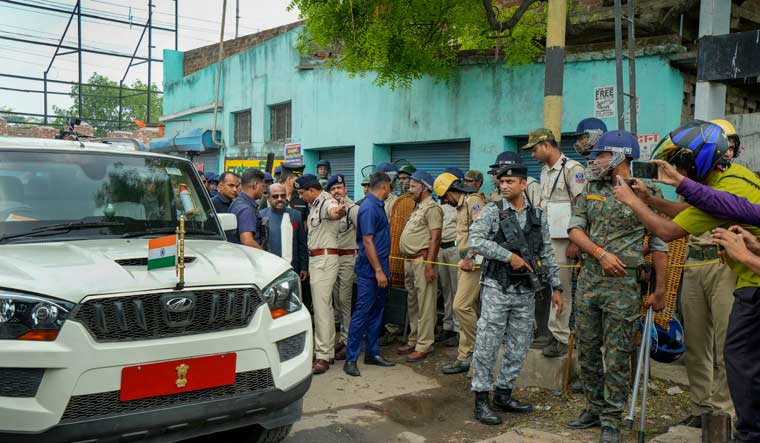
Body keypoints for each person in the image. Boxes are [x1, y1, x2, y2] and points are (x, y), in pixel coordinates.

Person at [612, 121, 760, 443]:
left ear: (700, 159)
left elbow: (667, 230)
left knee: (736, 358)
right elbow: (694, 210)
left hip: (748, 277)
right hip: (738, 272)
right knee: (717, 351)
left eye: (681, 163)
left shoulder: (727, 186)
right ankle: (713, 415)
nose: (679, 170)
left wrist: (632, 202)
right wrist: (650, 200)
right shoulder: (725, 181)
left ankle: (736, 426)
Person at [566, 130, 668, 443]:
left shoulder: (646, 193)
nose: (595, 161)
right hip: (590, 282)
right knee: (587, 347)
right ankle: (594, 408)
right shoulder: (591, 187)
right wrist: (599, 253)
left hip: (623, 286)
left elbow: (661, 241)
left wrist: (661, 289)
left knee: (618, 352)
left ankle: (612, 419)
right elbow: (574, 229)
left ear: (620, 156)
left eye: (601, 155)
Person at [468, 163, 563, 425]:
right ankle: (481, 399)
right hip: (497, 287)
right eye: (502, 182)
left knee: (519, 345)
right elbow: (474, 241)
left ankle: (504, 394)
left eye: (510, 181)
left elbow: (546, 252)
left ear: (523, 184)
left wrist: (557, 287)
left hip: (525, 291)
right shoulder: (493, 211)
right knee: (487, 344)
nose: (504, 185)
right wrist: (509, 256)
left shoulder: (538, 215)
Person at [522, 128, 586, 358]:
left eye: (534, 149)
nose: (532, 155)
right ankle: (553, 332)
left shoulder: (573, 169)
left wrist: (576, 240)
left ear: (546, 145)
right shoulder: (544, 172)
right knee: (552, 286)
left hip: (566, 239)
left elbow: (581, 206)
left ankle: (560, 337)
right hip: (548, 237)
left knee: (562, 288)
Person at [433, 172, 487, 375]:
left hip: (474, 262)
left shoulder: (473, 201)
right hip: (464, 260)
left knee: (460, 306)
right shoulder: (459, 205)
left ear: (453, 190)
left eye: (446, 196)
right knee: (468, 308)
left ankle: (481, 345)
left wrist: (471, 257)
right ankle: (465, 355)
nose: (445, 201)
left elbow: (481, 230)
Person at [344, 172, 397, 377]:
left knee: (377, 312)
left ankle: (372, 354)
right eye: (390, 187)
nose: (391, 190)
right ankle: (351, 359)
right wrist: (377, 271)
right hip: (370, 272)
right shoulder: (368, 207)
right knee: (362, 313)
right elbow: (367, 241)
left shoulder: (378, 205)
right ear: (384, 186)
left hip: (380, 269)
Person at [295, 173, 347, 375]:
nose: (301, 196)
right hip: (318, 259)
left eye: (302, 193)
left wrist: (339, 211)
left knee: (321, 308)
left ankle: (323, 355)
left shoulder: (326, 201)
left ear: (311, 190)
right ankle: (329, 351)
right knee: (325, 306)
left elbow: (334, 212)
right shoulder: (315, 204)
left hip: (324, 259)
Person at [397, 171, 443, 363]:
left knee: (426, 304)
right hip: (410, 261)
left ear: (425, 188)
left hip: (423, 261)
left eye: (414, 186)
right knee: (413, 302)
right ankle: (414, 338)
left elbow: (436, 237)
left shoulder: (432, 208)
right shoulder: (417, 207)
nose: (410, 189)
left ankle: (425, 344)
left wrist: (430, 265)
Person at [326, 174, 359, 361]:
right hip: (333, 260)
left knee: (345, 301)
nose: (337, 191)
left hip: (348, 259)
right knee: (337, 301)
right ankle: (343, 336)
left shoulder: (353, 209)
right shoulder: (329, 209)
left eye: (339, 188)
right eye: (333, 189)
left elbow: (363, 233)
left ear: (345, 190)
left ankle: (348, 340)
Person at [261, 183, 308, 282]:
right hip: (269, 268)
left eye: (282, 195)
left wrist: (304, 267)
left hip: (292, 268)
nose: (279, 199)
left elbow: (302, 244)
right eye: (275, 196)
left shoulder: (296, 215)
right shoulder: (261, 216)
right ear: (268, 198)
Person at [436, 177, 460, 347]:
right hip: (440, 250)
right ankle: (448, 325)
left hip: (455, 249)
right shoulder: (438, 207)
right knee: (446, 289)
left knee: (458, 290)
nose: (445, 198)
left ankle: (459, 330)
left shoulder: (462, 205)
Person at [229, 168, 266, 249]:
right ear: (255, 185)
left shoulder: (237, 202)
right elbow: (247, 241)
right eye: (263, 186)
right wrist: (264, 255)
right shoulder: (246, 209)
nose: (264, 189)